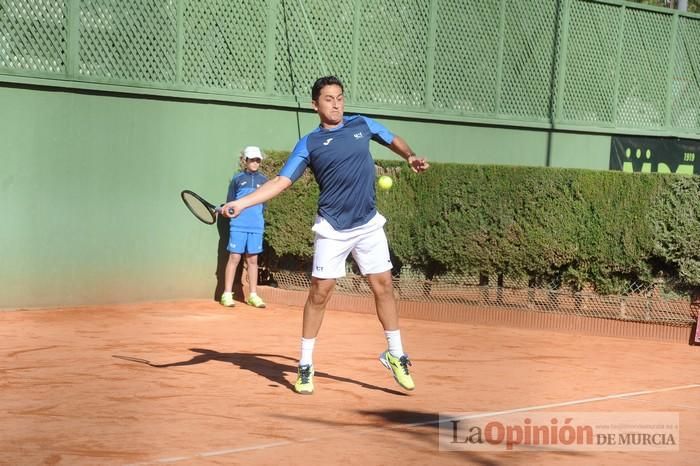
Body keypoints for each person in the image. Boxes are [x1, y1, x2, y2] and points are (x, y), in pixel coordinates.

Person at [222, 76, 429, 394]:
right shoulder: (310, 143)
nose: (336, 103)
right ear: (315, 105)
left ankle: (396, 354)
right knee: (320, 292)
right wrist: (242, 202)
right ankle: (305, 365)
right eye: (329, 99)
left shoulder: (361, 124)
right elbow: (281, 181)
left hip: (368, 223)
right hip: (332, 227)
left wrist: (410, 155)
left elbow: (391, 137)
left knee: (384, 286)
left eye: (340, 97)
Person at [220, 146, 269, 309]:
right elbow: (230, 203)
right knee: (234, 257)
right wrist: (227, 210)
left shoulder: (264, 181)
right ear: (245, 161)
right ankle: (227, 294)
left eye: (257, 160)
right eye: (252, 160)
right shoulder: (237, 179)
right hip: (238, 225)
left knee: (253, 260)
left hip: (256, 226)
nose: (255, 163)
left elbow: (265, 205)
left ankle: (253, 295)